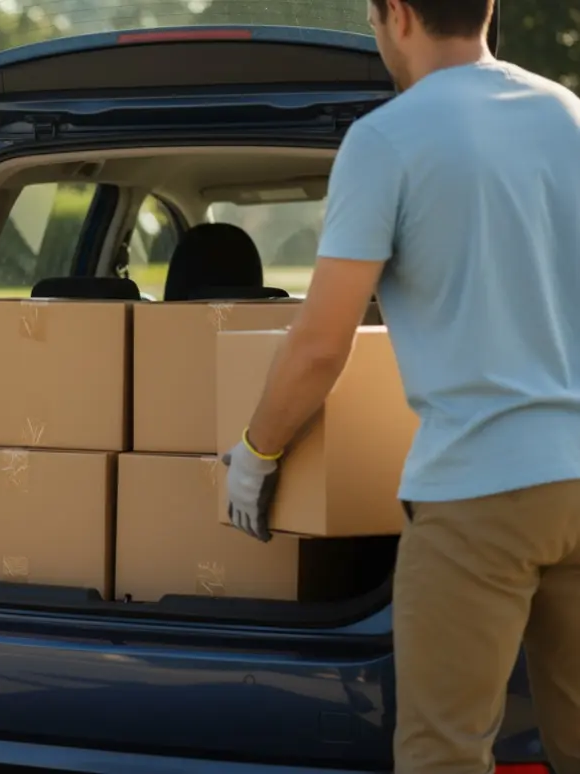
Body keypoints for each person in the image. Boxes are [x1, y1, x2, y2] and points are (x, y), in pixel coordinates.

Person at [220, 0, 580, 772]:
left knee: (443, 755)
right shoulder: (568, 116)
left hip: (480, 493)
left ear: (397, 15)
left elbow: (321, 344)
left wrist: (257, 452)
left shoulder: (387, 139)